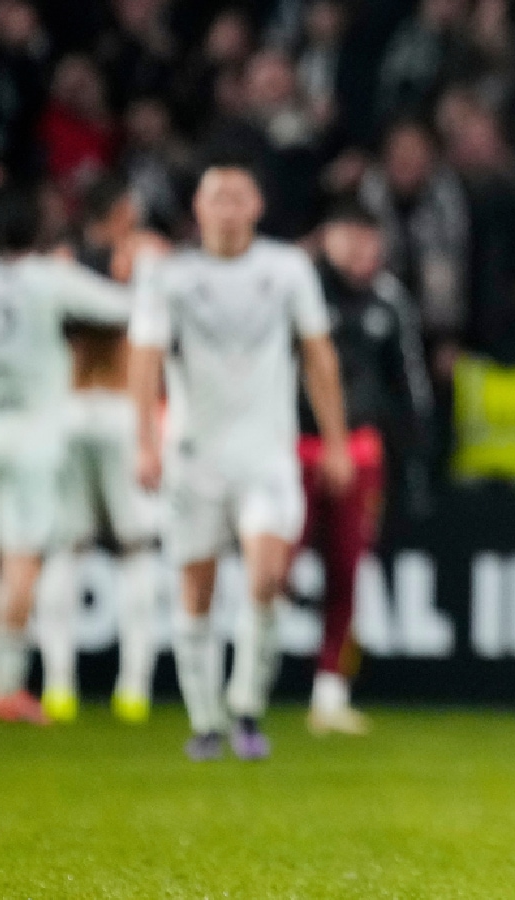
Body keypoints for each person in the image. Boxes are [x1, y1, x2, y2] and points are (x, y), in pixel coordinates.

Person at [130, 165, 352, 762]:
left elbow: (318, 355)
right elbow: (145, 359)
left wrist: (334, 440)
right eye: (215, 197)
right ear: (198, 209)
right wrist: (145, 441)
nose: (227, 207)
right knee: (196, 591)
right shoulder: (169, 276)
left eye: (237, 197)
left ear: (256, 205)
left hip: (265, 457)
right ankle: (205, 720)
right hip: (193, 458)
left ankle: (247, 706)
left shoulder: (286, 270)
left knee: (267, 578)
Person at [0, 160, 133, 724]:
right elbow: (122, 308)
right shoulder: (51, 279)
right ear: (38, 233)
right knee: (21, 565)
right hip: (35, 439)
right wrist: (143, 272)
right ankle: (6, 687)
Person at [294, 201, 434, 735]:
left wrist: (414, 463)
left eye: (369, 239)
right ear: (327, 238)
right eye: (350, 237)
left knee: (348, 572)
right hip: (297, 444)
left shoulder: (391, 302)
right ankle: (248, 685)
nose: (361, 250)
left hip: (361, 452)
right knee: (272, 568)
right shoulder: (300, 291)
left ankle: (330, 693)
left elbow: (410, 387)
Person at [37, 177, 167, 725]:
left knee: (66, 549)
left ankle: (58, 686)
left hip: (67, 411)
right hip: (119, 413)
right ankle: (134, 686)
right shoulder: (140, 262)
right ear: (117, 215)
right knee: (136, 549)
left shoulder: (58, 266)